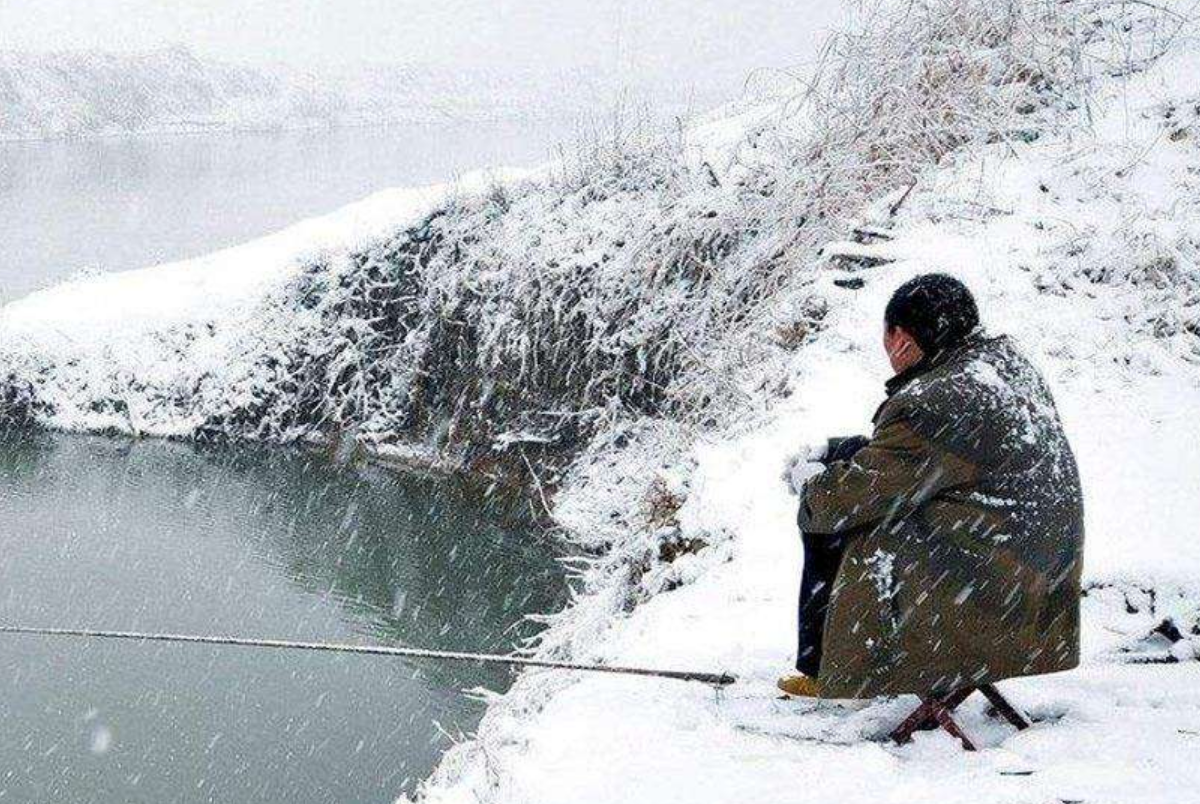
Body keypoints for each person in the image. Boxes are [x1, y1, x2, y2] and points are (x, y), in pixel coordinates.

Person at [777, 273, 1084, 700]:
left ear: (901, 337)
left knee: (836, 522)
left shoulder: (934, 400)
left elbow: (847, 501)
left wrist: (812, 485)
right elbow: (932, 458)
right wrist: (842, 450)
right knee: (847, 490)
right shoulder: (1000, 367)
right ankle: (822, 663)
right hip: (1040, 582)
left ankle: (826, 668)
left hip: (992, 594)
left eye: (887, 337)